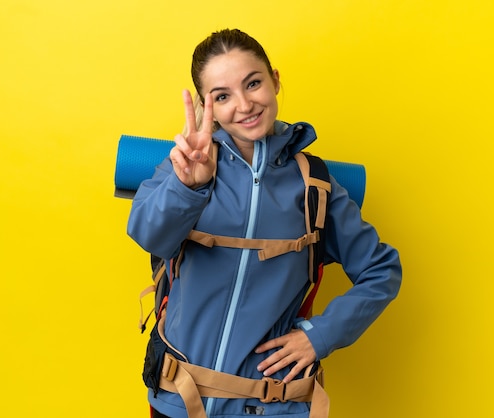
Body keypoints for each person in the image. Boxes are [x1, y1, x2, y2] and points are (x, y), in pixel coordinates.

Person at [127, 28, 402, 418]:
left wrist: (319, 336)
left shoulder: (316, 186)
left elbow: (382, 269)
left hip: (268, 407)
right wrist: (188, 187)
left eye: (252, 83)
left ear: (274, 80)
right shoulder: (185, 166)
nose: (244, 105)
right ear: (208, 108)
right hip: (177, 400)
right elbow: (147, 235)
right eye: (222, 96)